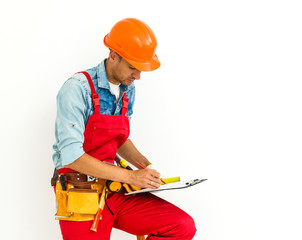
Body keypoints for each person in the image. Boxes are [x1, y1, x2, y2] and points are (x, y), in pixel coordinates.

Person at [51, 18, 196, 240]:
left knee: (181, 226)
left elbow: (119, 138)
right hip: (81, 193)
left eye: (141, 69)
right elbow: (71, 157)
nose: (137, 76)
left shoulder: (127, 89)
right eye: (132, 67)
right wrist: (132, 177)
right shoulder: (77, 88)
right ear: (113, 56)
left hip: (114, 190)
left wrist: (147, 168)